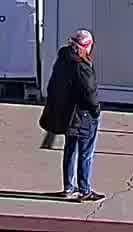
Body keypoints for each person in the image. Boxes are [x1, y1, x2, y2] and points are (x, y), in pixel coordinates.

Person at [40, 30, 102, 201]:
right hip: (83, 115)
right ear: (87, 46)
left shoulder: (63, 58)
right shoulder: (82, 66)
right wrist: (96, 110)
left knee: (70, 150)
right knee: (86, 152)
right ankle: (84, 190)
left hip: (68, 114)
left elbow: (53, 86)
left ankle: (68, 187)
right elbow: (90, 93)